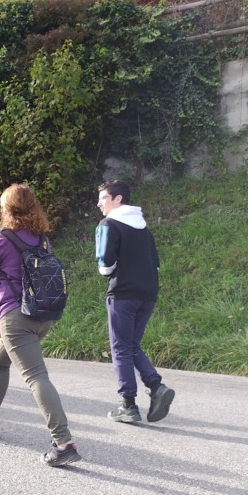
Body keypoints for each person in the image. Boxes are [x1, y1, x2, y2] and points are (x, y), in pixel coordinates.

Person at [0, 184, 82, 467]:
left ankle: (63, 443)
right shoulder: (42, 239)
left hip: (15, 317)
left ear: (7, 209)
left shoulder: (1, 237)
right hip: (42, 316)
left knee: (35, 377)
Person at [96, 180, 175, 423]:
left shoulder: (108, 224)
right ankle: (156, 386)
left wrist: (111, 270)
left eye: (103, 198)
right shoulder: (144, 228)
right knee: (131, 345)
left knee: (120, 348)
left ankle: (128, 405)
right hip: (148, 294)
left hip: (123, 294)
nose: (99, 204)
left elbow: (105, 265)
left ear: (118, 198)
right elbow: (156, 264)